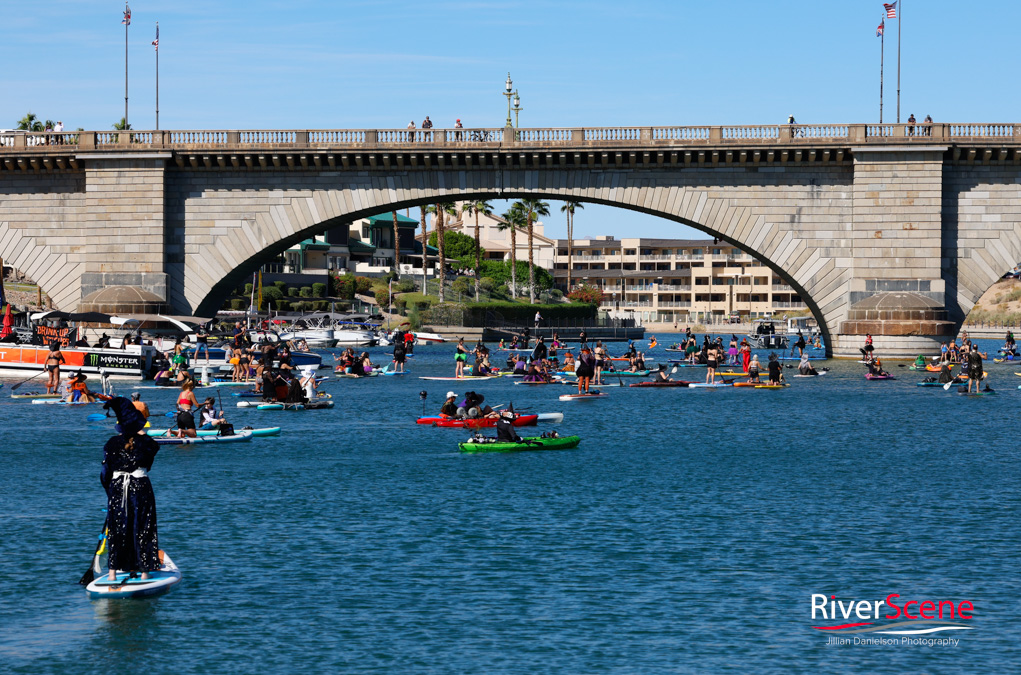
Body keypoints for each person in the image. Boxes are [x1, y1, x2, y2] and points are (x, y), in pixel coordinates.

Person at [100, 397, 161, 581]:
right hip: (140, 486)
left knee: (117, 526)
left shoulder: (110, 443)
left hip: (117, 488)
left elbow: (105, 474)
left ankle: (112, 573)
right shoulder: (150, 443)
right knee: (144, 526)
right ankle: (144, 572)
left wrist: (110, 493)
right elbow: (148, 465)